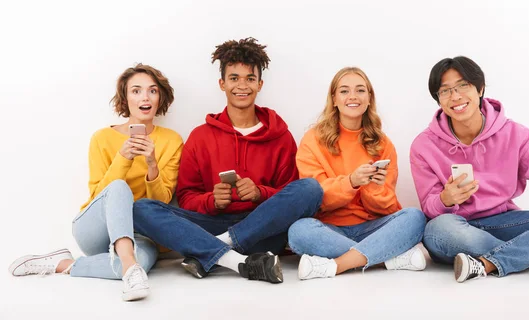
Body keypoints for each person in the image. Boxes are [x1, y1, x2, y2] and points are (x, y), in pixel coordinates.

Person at [132, 37, 323, 284]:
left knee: (310, 189)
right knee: (141, 208)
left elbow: (290, 197)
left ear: (260, 84)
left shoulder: (281, 137)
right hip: (211, 224)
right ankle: (235, 260)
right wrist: (212, 201)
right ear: (222, 83)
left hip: (262, 230)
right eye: (234, 78)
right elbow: (187, 197)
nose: (241, 86)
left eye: (249, 79)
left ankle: (214, 249)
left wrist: (259, 193)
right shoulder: (200, 136)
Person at [410, 56, 529, 283]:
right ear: (438, 100)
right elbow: (429, 207)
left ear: (480, 89)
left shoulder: (516, 134)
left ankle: (486, 264)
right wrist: (445, 199)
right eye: (445, 91)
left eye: (462, 86)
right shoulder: (423, 145)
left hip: (505, 222)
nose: (455, 96)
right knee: (438, 230)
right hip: (457, 228)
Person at [9, 64, 183, 301]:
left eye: (152, 91)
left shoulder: (171, 141)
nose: (145, 97)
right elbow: (99, 195)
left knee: (140, 261)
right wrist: (124, 158)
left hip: (141, 234)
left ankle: (67, 263)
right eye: (136, 91)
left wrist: (152, 164)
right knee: (118, 187)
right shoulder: (102, 138)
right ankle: (128, 265)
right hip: (96, 231)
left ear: (160, 96)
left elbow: (160, 204)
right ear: (125, 97)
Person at [288, 67, 427, 280]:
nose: (352, 96)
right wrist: (352, 181)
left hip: (373, 227)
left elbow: (388, 207)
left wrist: (372, 186)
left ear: (369, 98)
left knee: (415, 217)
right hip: (328, 229)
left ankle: (337, 265)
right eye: (344, 91)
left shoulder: (383, 143)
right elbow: (316, 199)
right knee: (298, 231)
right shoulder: (313, 140)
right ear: (334, 99)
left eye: (360, 90)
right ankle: (385, 259)